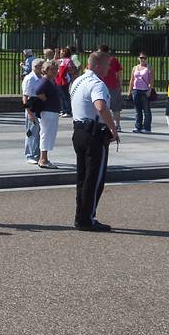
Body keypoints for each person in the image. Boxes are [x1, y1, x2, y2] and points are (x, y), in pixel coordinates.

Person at [68, 59, 120, 232]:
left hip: (79, 130)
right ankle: (87, 218)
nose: (108, 69)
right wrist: (113, 129)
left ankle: (81, 216)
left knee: (82, 178)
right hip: (94, 133)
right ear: (98, 66)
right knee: (94, 179)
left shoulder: (78, 81)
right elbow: (101, 107)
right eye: (106, 65)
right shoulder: (97, 84)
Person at [22, 58, 48, 163]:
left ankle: (36, 153)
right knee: (32, 132)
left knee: (38, 132)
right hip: (32, 106)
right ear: (36, 67)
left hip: (39, 106)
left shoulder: (40, 78)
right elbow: (25, 97)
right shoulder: (30, 78)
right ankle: (30, 155)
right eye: (41, 66)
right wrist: (29, 112)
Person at [36, 65, 62, 169]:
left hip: (52, 111)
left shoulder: (51, 80)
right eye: (53, 69)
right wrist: (46, 100)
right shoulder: (45, 80)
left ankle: (43, 158)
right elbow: (38, 91)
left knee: (48, 134)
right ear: (46, 70)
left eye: (56, 69)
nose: (56, 71)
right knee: (46, 134)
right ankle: (43, 159)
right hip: (48, 111)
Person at [129, 53, 154, 133]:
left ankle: (147, 128)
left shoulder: (149, 68)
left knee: (146, 110)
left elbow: (151, 80)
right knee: (137, 110)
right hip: (136, 90)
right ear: (138, 58)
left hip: (145, 91)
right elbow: (132, 80)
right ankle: (138, 127)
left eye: (144, 58)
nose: (142, 59)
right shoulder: (135, 68)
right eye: (141, 57)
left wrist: (149, 90)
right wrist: (129, 91)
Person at [55, 47, 77, 117]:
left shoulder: (68, 60)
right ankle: (63, 109)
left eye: (62, 52)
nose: (60, 53)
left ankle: (68, 110)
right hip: (59, 79)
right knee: (60, 95)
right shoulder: (61, 60)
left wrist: (68, 73)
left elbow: (72, 68)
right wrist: (56, 53)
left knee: (65, 95)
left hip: (64, 79)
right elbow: (54, 60)